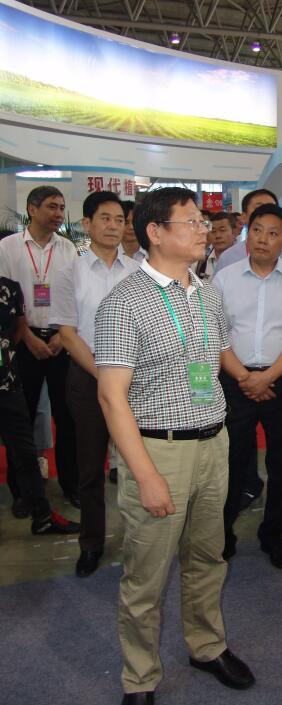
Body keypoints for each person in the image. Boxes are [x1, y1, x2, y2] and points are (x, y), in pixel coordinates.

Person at [94, 187, 254, 704]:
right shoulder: (124, 302)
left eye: (204, 222)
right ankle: (139, 677)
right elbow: (111, 396)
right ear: (156, 233)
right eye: (191, 222)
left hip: (213, 442)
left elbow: (215, 357)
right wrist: (145, 475)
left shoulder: (207, 293)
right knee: (146, 575)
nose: (204, 230)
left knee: (208, 557)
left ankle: (207, 646)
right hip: (158, 451)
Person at [214, 203, 282, 568]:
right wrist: (245, 377)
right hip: (235, 381)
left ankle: (273, 534)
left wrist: (267, 377)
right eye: (257, 230)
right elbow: (216, 336)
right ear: (247, 234)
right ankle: (223, 534)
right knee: (229, 461)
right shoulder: (224, 279)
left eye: (273, 233)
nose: (263, 239)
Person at [50, 191, 140, 578]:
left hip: (135, 379)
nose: (113, 226)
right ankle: (91, 543)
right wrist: (104, 376)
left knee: (138, 464)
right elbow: (68, 335)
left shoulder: (138, 271)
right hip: (88, 380)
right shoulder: (70, 272)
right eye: (105, 218)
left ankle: (140, 540)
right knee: (90, 469)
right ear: (87, 224)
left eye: (120, 220)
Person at [0, 186, 79, 509]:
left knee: (67, 417)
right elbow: (4, 299)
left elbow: (75, 295)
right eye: (52, 207)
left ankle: (71, 485)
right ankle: (23, 493)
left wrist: (62, 335)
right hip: (23, 341)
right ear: (32, 210)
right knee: (22, 419)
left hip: (61, 339)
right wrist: (27, 337)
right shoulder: (8, 247)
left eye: (61, 207)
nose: (59, 213)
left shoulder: (68, 248)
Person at [0, 276, 80, 536]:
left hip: (8, 383)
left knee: (25, 451)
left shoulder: (9, 288)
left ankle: (42, 515)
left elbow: (19, 328)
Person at [196, 212, 236, 281]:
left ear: (234, 233)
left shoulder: (243, 259)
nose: (218, 236)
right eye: (213, 231)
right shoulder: (200, 262)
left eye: (222, 230)